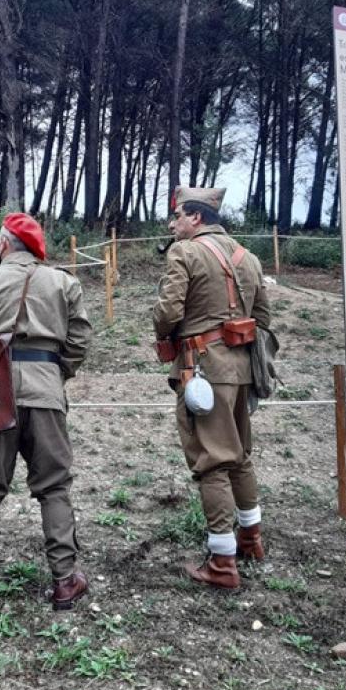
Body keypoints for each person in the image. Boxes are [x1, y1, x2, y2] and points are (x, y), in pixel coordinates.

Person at [0, 213, 93, 612]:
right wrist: (53, 373)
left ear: (3, 244)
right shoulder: (65, 283)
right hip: (46, 391)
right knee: (54, 486)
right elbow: (80, 340)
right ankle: (65, 582)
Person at [152, 187, 272, 589]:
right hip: (243, 370)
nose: (174, 225)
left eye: (178, 217)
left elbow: (168, 312)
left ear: (196, 217)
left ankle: (222, 562)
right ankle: (251, 539)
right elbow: (263, 317)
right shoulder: (249, 257)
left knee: (213, 462)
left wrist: (163, 329)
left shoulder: (184, 253)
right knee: (240, 456)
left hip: (203, 369)